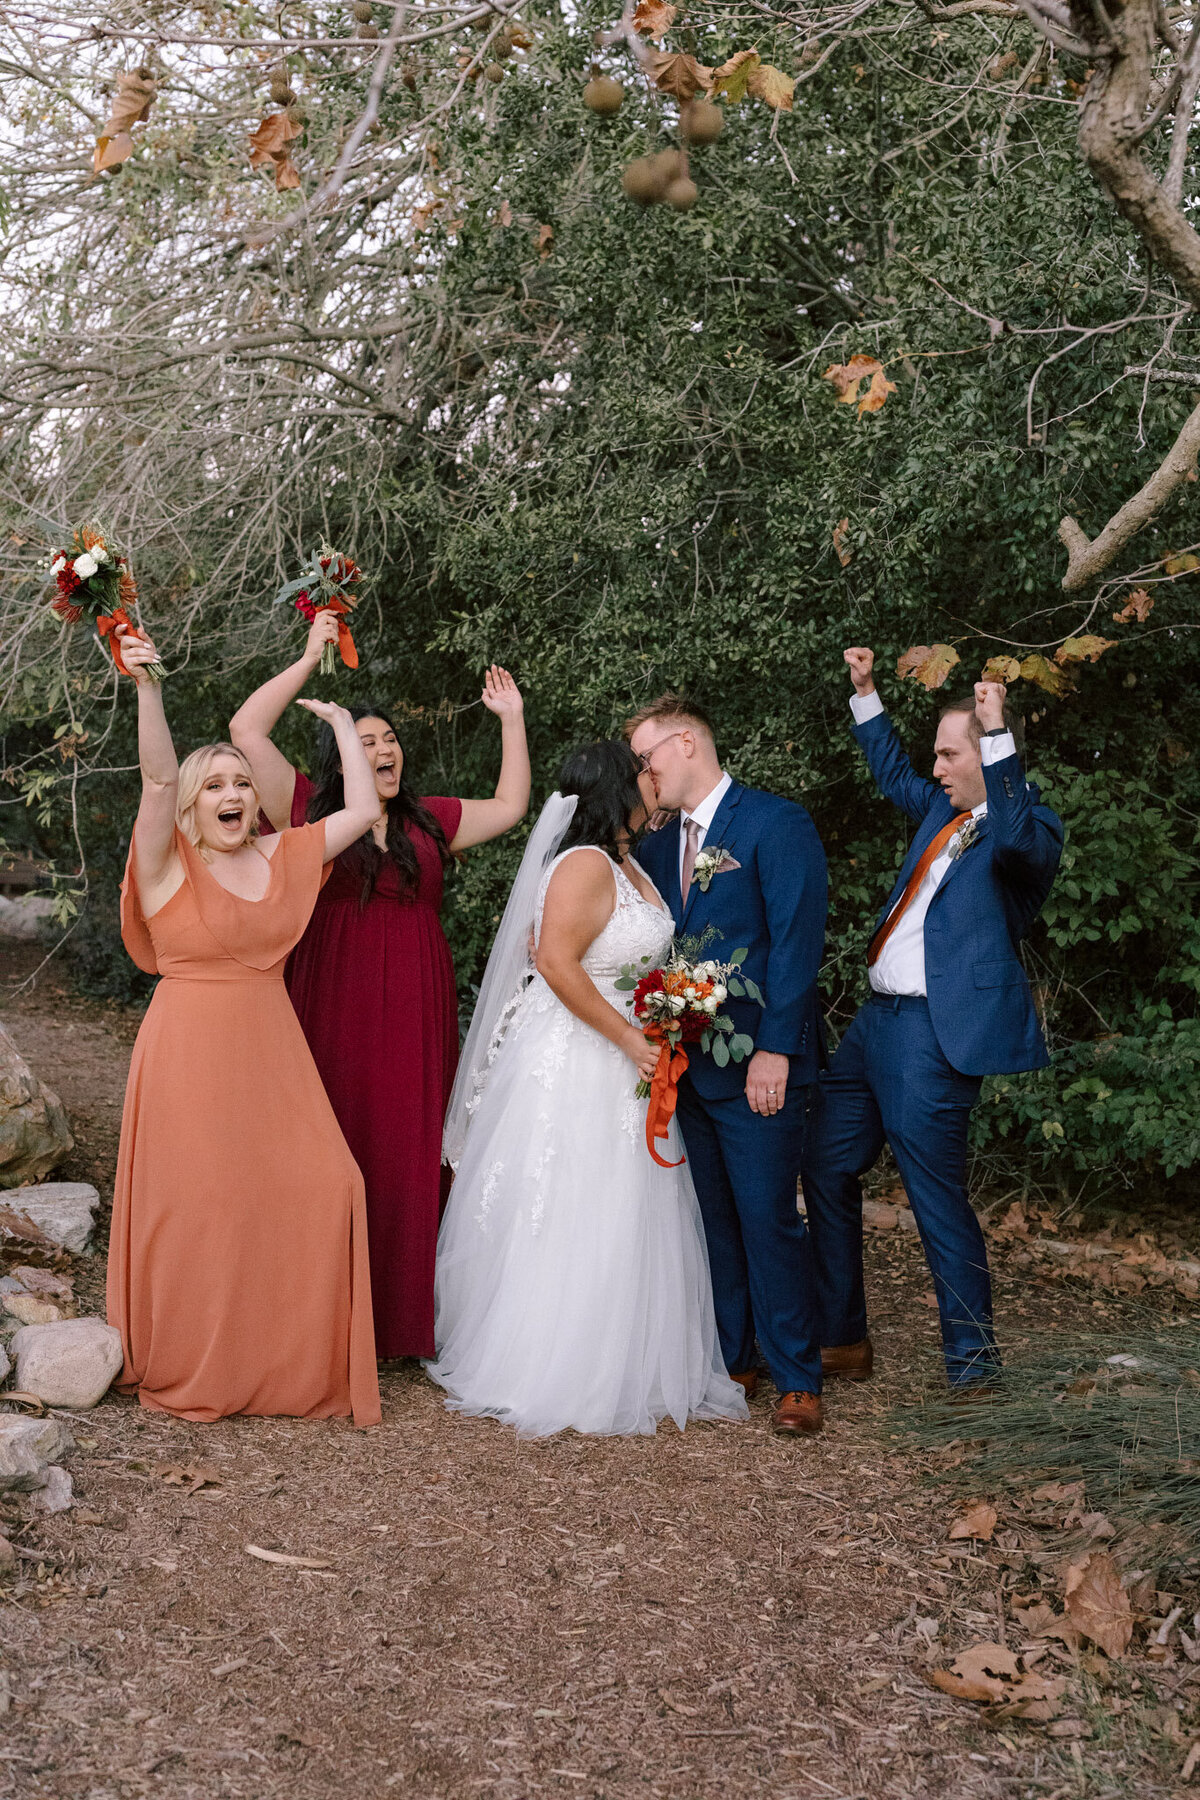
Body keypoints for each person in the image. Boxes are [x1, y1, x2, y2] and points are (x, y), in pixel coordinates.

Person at [229, 611, 530, 1361]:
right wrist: (308, 660)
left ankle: (396, 1323)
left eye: (389, 739)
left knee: (407, 1145)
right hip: (331, 995)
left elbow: (513, 806)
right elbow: (245, 729)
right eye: (365, 742)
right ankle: (319, 1313)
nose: (383, 749)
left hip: (418, 1003)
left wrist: (512, 721)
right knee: (329, 1138)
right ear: (340, 757)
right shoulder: (306, 808)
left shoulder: (432, 823)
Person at [427, 741, 748, 1439]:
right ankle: (554, 1366)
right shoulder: (584, 864)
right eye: (643, 770)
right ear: (616, 788)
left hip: (626, 1052)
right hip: (582, 1053)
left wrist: (668, 1012)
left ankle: (626, 1359)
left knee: (626, 1203)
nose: (654, 776)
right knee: (575, 1199)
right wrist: (631, 1037)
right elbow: (554, 961)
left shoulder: (630, 863)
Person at [108, 627, 381, 1426]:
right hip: (189, 1047)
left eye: (241, 781)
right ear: (195, 805)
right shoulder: (167, 864)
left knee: (334, 1185)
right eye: (215, 784)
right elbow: (157, 780)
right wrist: (148, 687)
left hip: (272, 1047)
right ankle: (201, 1358)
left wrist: (339, 732)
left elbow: (364, 809)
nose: (232, 792)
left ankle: (285, 1365)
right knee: (200, 1208)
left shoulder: (285, 855)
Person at [801, 650, 1064, 1393]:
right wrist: (865, 693)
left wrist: (996, 728)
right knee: (824, 1165)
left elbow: (1013, 838)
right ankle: (843, 1339)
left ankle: (975, 1373)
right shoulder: (938, 815)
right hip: (871, 1030)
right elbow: (892, 772)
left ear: (988, 756)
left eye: (950, 754)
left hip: (933, 1038)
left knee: (935, 1200)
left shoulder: (1031, 831)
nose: (937, 768)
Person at [628, 696, 829, 1437]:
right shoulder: (654, 846)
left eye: (648, 757)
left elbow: (797, 943)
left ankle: (798, 1376)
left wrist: (775, 1049)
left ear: (686, 743)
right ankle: (732, 1357)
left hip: (757, 1068)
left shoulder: (775, 824)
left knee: (769, 1216)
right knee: (711, 1217)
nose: (643, 773)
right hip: (687, 1070)